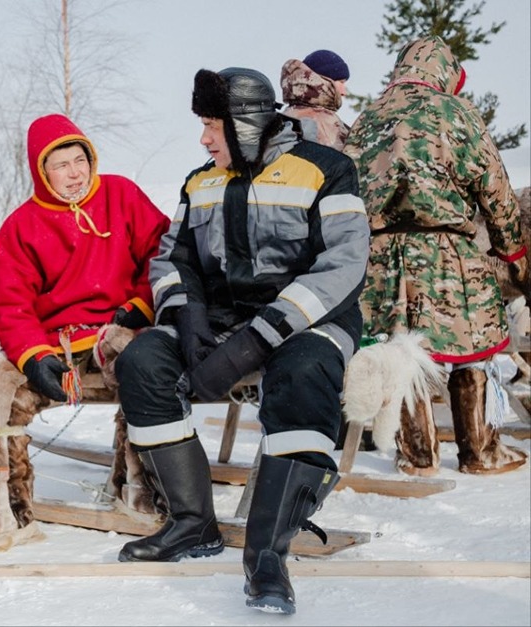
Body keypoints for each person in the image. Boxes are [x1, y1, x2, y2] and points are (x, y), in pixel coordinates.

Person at [114, 67, 370, 615]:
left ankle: (268, 558)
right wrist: (188, 318)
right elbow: (172, 257)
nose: (204, 138)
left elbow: (343, 266)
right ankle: (191, 523)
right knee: (142, 362)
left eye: (212, 125)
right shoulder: (198, 181)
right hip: (224, 319)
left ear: (247, 124)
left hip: (309, 320)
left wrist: (253, 345)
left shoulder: (327, 170)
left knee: (302, 376)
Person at [0, 113, 170, 553]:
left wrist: (139, 305)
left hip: (120, 328)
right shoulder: (21, 226)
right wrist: (33, 354)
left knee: (145, 369)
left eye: (80, 160)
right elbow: (9, 303)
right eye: (61, 165)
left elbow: (163, 252)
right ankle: (6, 510)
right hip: (57, 343)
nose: (75, 173)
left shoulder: (122, 196)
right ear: (40, 171)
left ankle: (141, 489)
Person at [344, 35, 529, 476]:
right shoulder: (457, 112)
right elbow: (495, 188)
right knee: (471, 352)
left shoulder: (368, 119)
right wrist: (513, 252)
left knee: (402, 353)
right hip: (449, 252)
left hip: (382, 255)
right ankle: (480, 451)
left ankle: (418, 456)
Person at [280, 49, 351, 150]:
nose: (344, 92)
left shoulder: (288, 117)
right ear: (325, 81)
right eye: (341, 82)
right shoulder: (321, 121)